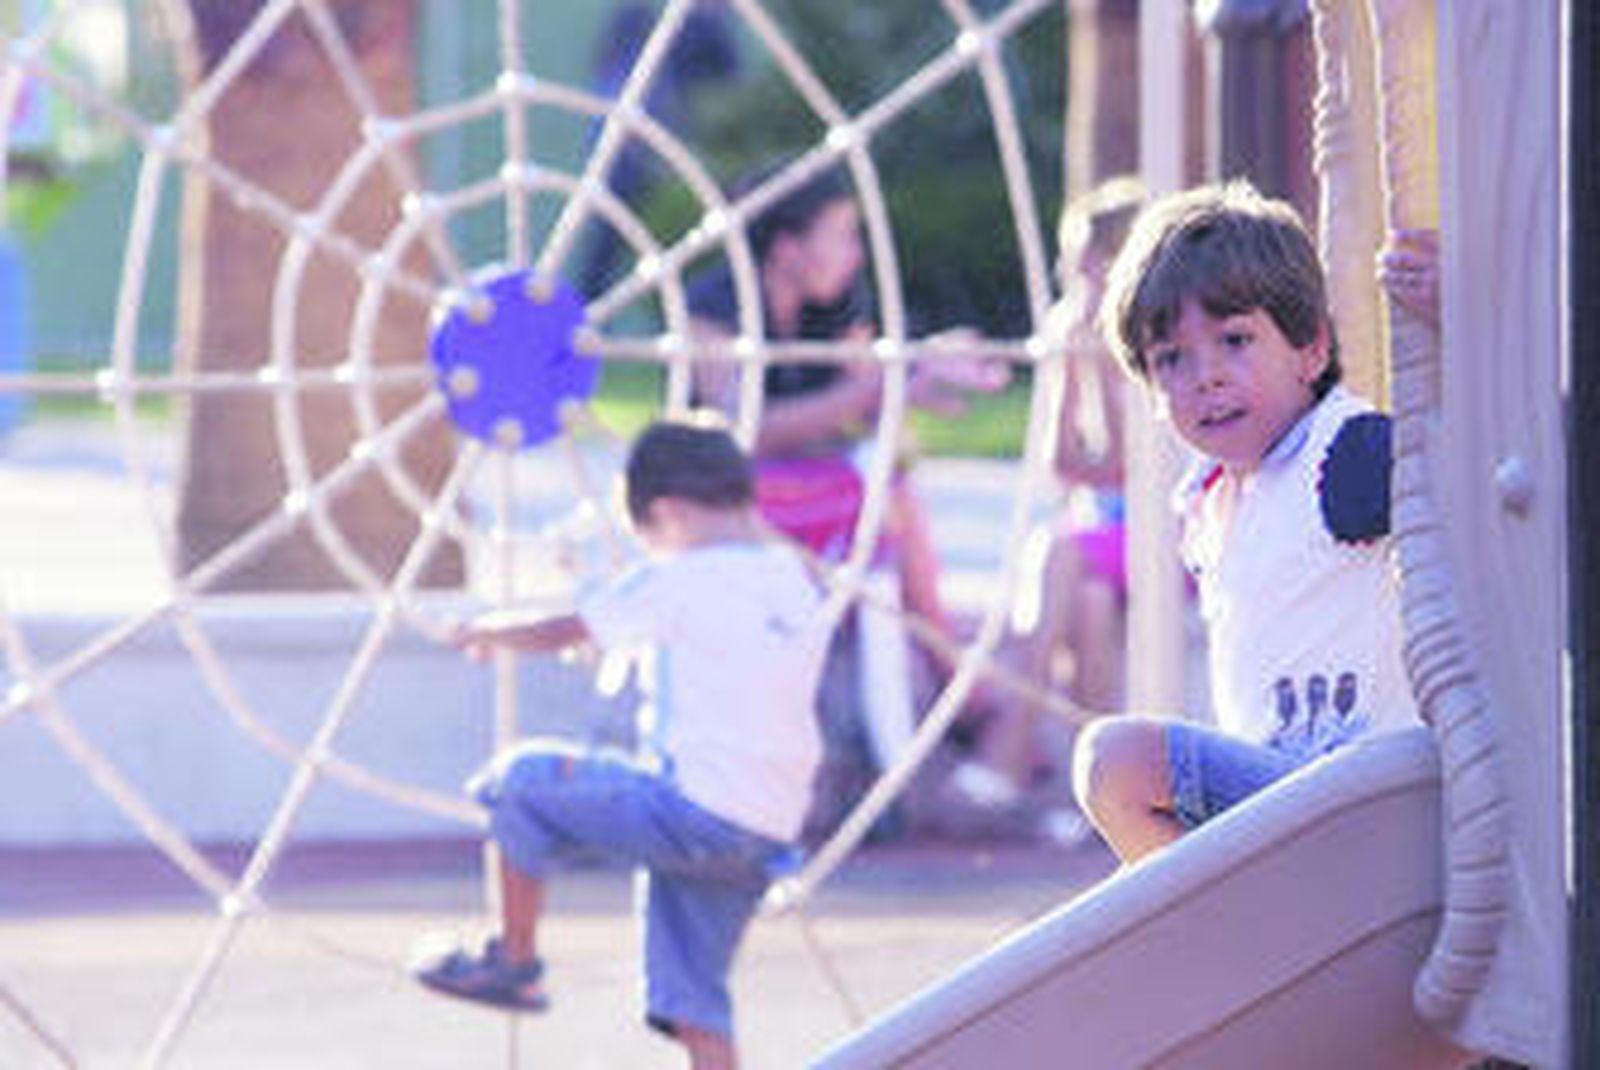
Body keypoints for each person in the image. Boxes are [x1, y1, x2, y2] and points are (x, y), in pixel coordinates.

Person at [412, 419, 829, 1070]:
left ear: (666, 514)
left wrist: (488, 632)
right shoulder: (792, 577)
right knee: (695, 1003)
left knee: (517, 783)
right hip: (766, 830)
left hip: (693, 810)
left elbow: (572, 625)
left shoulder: (681, 576)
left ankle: (514, 959)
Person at [1071, 181, 1433, 864]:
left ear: (1312, 349)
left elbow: (1472, 461)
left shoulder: (1343, 456)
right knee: (1128, 772)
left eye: (1235, 340)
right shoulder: (1207, 497)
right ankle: (1227, 933)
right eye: (1171, 358)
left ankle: (1200, 932)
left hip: (1362, 801)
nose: (1205, 376)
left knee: (1116, 761)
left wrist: (1443, 322)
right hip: (1283, 798)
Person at [688, 166, 1006, 839]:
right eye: (841, 235)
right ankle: (954, 689)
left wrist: (919, 382)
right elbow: (740, 429)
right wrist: (874, 392)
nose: (856, 253)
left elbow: (868, 412)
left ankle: (912, 735)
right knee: (880, 500)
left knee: (885, 492)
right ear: (786, 248)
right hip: (731, 508)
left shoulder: (833, 311)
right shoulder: (714, 309)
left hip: (818, 509)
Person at [947, 177, 1144, 829]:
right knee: (1084, 602)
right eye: (1077, 261)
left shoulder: (1149, 336)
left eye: (1098, 261)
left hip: (1158, 532)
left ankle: (1011, 744)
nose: (1083, 276)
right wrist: (1072, 367)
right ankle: (1087, 798)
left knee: (1057, 551)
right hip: (1107, 534)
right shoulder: (1076, 331)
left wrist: (1106, 371)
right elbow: (1067, 465)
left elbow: (1133, 468)